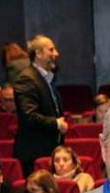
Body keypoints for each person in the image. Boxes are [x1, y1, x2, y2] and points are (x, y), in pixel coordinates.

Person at [9, 36, 67, 175]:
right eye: (51, 50)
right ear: (38, 54)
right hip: (35, 154)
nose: (56, 54)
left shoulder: (46, 79)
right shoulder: (27, 79)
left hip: (48, 151)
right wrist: (56, 124)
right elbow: (29, 116)